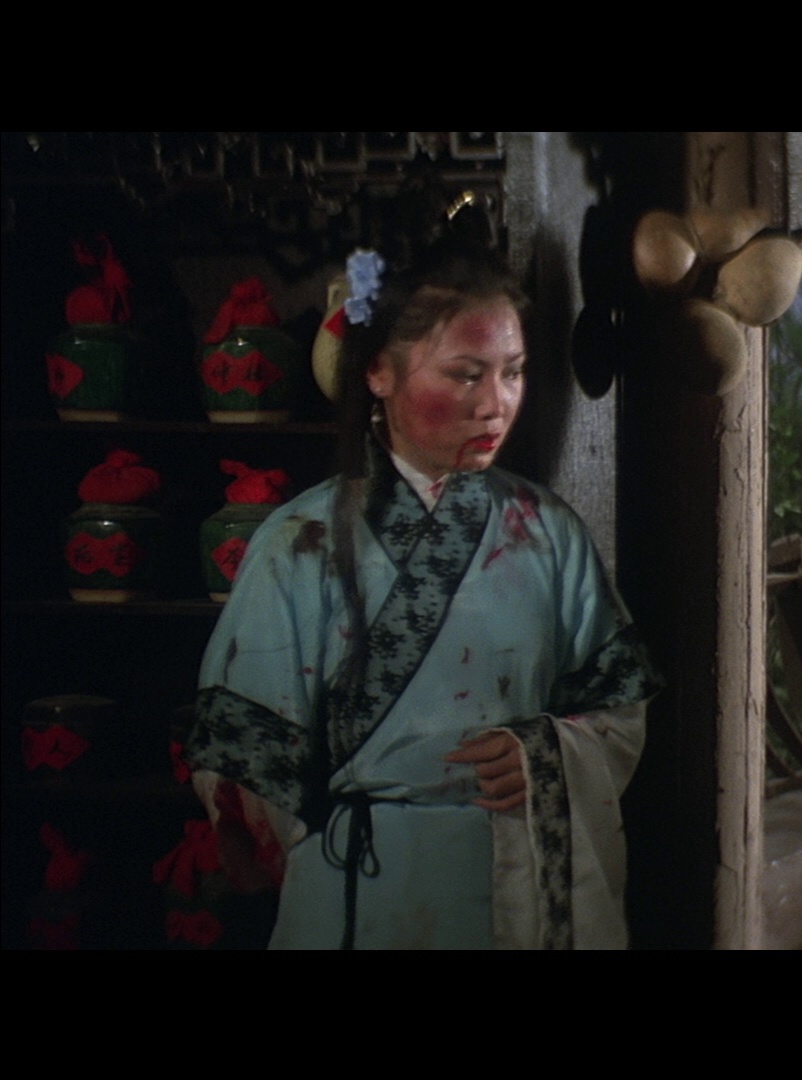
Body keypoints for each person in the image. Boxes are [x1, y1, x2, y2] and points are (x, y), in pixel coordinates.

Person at [185, 235, 658, 949]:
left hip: (510, 886)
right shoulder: (298, 544)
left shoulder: (549, 533)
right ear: (378, 370)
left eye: (513, 372)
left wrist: (549, 756)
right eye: (466, 375)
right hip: (356, 886)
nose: (496, 404)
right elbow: (242, 764)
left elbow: (618, 711)